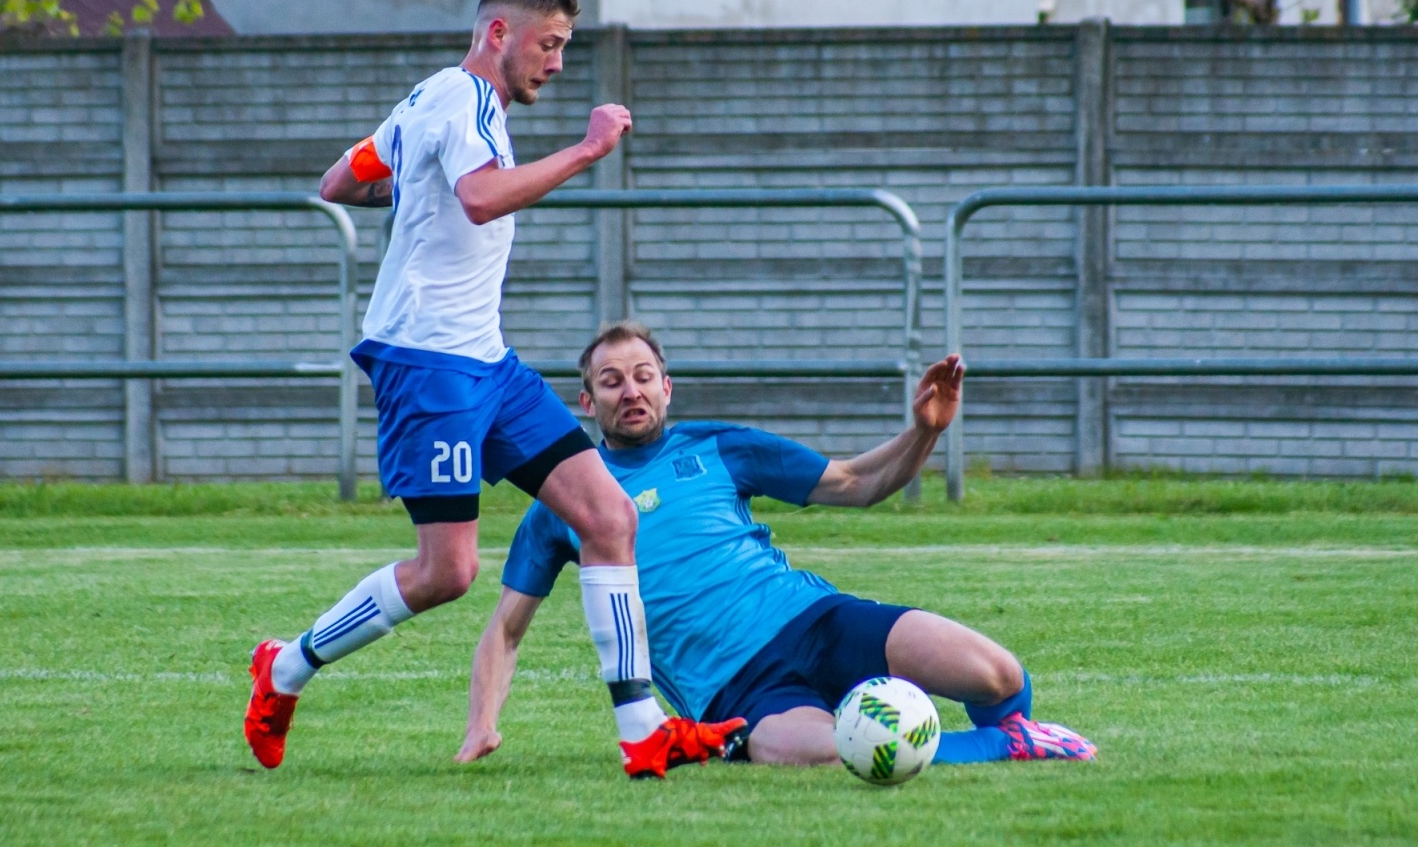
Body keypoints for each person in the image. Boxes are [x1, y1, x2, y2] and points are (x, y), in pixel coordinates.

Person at [242, 0, 741, 779]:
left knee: (610, 517)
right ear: (499, 35)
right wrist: (586, 150)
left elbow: (340, 183)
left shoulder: (430, 100)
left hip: (486, 359)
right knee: (449, 572)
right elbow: (477, 199)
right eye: (549, 44)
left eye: (564, 48)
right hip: (428, 364)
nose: (556, 63)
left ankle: (644, 732)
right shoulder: (466, 102)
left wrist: (407, 193)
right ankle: (286, 667)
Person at [458, 321, 1096, 768]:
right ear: (587, 402)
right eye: (612, 381)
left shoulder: (717, 447)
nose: (630, 391)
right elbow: (506, 630)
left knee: (997, 674)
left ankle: (1011, 726)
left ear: (666, 387)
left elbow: (855, 482)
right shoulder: (562, 502)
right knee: (822, 753)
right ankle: (1008, 747)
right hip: (738, 690)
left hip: (816, 621)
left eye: (643, 376)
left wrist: (923, 432)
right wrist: (482, 723)